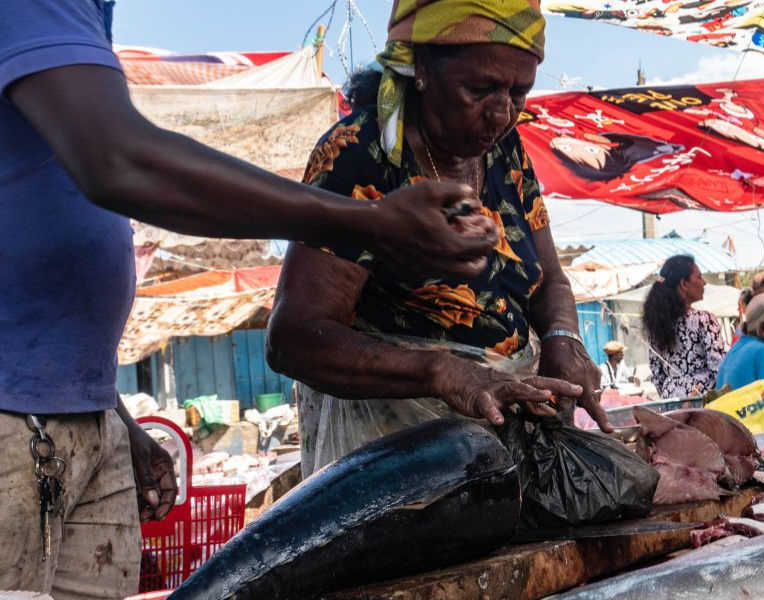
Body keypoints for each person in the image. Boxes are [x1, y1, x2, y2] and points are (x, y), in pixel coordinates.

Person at [0, 2, 500, 597]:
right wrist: (368, 222)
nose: (502, 108)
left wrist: (110, 412)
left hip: (80, 412)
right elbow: (118, 161)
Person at [266, 1, 613, 477]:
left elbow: (549, 278)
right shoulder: (358, 157)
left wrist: (563, 336)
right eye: (481, 88)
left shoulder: (507, 153)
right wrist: (440, 372)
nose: (502, 113)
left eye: (520, 93)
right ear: (422, 67)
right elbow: (294, 337)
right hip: (391, 457)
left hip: (499, 446)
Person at [645, 256, 727, 398]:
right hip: (701, 403)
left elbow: (657, 373)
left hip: (670, 402)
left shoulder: (655, 324)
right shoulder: (704, 320)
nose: (704, 282)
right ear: (684, 284)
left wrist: (672, 391)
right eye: (699, 277)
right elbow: (719, 369)